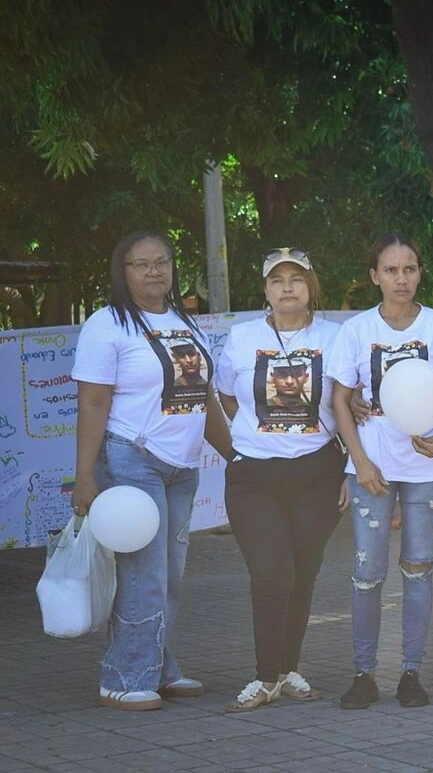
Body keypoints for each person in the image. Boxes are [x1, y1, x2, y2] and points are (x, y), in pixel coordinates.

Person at [71, 229, 233, 711]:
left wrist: (237, 458)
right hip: (131, 461)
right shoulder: (108, 324)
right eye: (141, 264)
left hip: (181, 468)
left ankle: (159, 667)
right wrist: (85, 477)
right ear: (123, 272)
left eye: (161, 261)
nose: (154, 271)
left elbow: (204, 400)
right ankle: (122, 678)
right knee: (143, 574)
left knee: (168, 575)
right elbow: (93, 403)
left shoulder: (184, 321)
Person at [328, 234, 433, 709]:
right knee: (368, 571)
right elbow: (340, 401)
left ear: (419, 273)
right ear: (375, 276)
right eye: (391, 270)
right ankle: (364, 673)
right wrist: (361, 460)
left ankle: (411, 671)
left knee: (419, 568)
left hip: (428, 467)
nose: (401, 278)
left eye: (409, 268)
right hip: (372, 470)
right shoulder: (357, 330)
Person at [215, 247, 346, 711]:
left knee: (303, 574)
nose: (287, 286)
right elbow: (228, 396)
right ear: (266, 291)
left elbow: (349, 406)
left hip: (318, 472)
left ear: (311, 286)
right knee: (272, 572)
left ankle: (288, 668)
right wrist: (255, 439)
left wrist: (350, 467)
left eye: (296, 278)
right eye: (277, 280)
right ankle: (264, 676)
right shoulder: (242, 337)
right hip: (254, 475)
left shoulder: (336, 337)